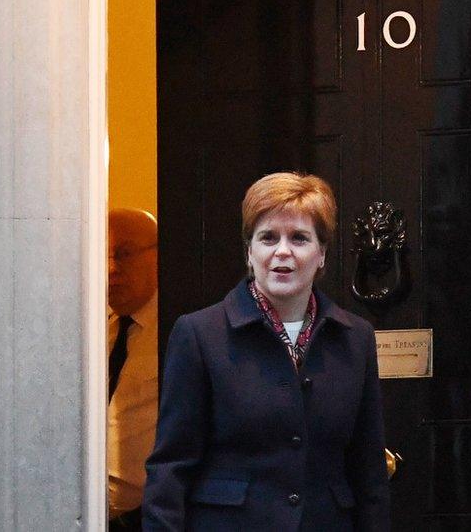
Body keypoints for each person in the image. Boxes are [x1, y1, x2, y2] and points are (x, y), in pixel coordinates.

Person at [142, 172, 390, 531]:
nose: (282, 252)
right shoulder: (199, 334)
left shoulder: (355, 338)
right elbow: (171, 468)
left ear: (321, 254)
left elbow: (368, 471)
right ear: (250, 252)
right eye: (268, 238)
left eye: (299, 238)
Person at [108, 208, 160, 531]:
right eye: (105, 254)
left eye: (123, 254)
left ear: (157, 256)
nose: (111, 269)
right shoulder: (95, 334)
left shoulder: (175, 334)